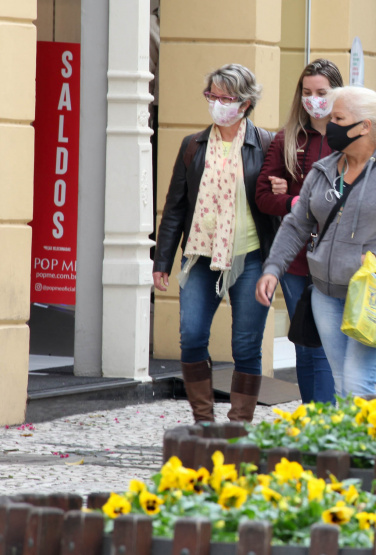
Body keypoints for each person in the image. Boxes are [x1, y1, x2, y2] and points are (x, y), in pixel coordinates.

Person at [256, 86, 376, 398]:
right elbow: (297, 224)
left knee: (355, 384)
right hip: (326, 296)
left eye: (338, 117)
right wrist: (273, 268)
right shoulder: (323, 170)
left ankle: (369, 446)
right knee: (342, 385)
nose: (329, 125)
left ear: (364, 126)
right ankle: (352, 447)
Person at [153, 64, 276, 423]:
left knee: (246, 345)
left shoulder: (266, 143)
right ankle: (203, 422)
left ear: (246, 103)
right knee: (191, 336)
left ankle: (239, 424)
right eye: (213, 96)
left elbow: (276, 203)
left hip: (250, 256)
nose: (218, 104)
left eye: (227, 97)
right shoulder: (193, 145)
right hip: (199, 255)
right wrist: (162, 262)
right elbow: (175, 207)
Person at [255, 59, 342, 404]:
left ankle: (326, 422)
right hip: (295, 260)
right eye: (307, 93)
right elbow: (263, 196)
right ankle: (313, 417)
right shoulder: (287, 139)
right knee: (304, 343)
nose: (314, 99)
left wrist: (291, 195)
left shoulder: (348, 138)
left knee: (323, 342)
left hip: (337, 258)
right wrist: (295, 202)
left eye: (322, 93)